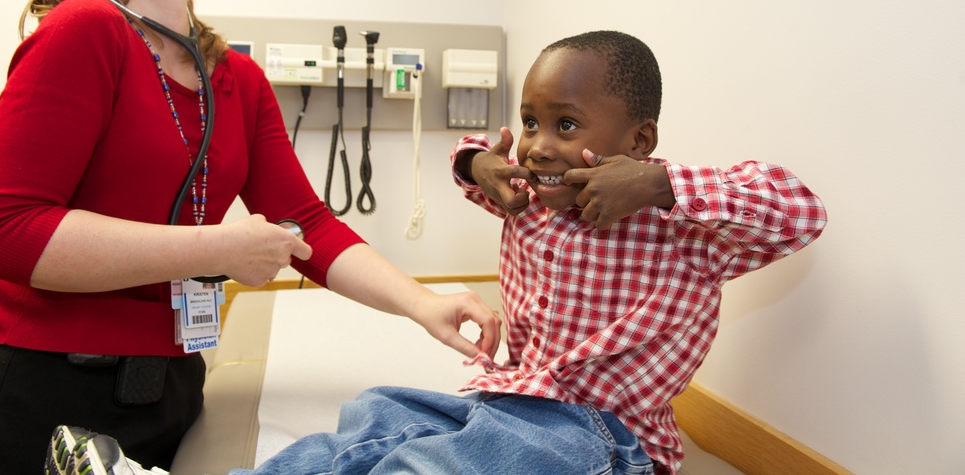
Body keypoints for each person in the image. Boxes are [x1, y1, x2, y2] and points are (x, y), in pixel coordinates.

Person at [48, 30, 827, 475]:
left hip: (604, 437)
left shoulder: (681, 227)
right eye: (529, 120)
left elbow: (798, 208)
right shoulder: (530, 196)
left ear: (638, 141)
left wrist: (656, 186)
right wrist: (479, 160)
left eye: (566, 125)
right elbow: (471, 166)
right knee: (371, 420)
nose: (538, 145)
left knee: (433, 467)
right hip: (510, 400)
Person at [0, 0, 500, 475]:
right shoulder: (84, 28)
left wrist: (421, 303)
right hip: (46, 390)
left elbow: (306, 225)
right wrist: (214, 250)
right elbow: (1, 231)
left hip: (174, 389)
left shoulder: (237, 79)